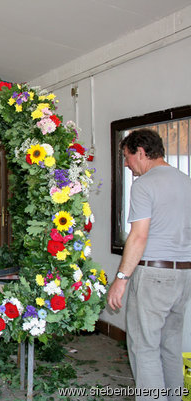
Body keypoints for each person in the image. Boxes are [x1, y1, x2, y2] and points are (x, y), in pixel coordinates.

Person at [106, 128, 191, 401]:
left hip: (154, 275)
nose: (126, 164)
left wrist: (121, 278)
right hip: (184, 275)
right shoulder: (186, 181)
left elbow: (139, 236)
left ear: (141, 152)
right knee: (170, 346)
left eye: (128, 157)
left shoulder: (144, 185)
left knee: (144, 348)